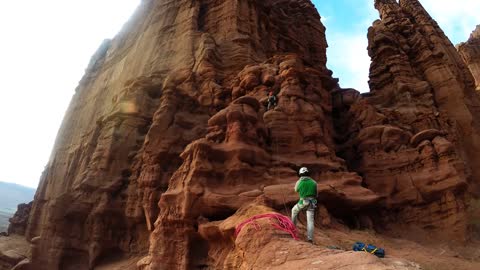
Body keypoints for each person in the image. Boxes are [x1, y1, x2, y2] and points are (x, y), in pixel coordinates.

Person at [291, 167, 317, 243]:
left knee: (294, 211)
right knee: (310, 221)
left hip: (303, 202)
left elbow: (296, 190)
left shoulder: (299, 182)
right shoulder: (314, 182)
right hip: (312, 203)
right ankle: (310, 238)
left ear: (300, 174)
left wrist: (299, 181)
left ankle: (293, 230)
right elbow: (316, 194)